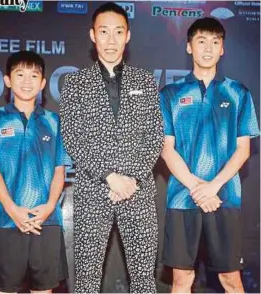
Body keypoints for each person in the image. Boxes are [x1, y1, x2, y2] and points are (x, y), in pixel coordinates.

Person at [60, 2, 163, 293]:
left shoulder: (145, 80)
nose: (111, 40)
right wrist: (109, 176)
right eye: (104, 32)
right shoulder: (75, 83)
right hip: (94, 191)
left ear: (127, 36)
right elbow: (72, 137)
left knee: (144, 280)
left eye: (118, 32)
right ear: (93, 35)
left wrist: (131, 179)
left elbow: (155, 136)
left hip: (138, 191)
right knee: (88, 281)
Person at [160, 17, 259, 293]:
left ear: (222, 49)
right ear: (189, 46)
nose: (208, 48)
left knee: (231, 280)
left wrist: (213, 187)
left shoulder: (238, 93)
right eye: (201, 41)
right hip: (182, 198)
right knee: (181, 280)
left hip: (224, 198)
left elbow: (243, 150)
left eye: (215, 42)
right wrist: (196, 188)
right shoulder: (170, 93)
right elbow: (167, 149)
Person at [0, 50, 70, 293]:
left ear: (43, 83)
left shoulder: (54, 121)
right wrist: (13, 209)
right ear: (7, 80)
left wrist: (49, 206)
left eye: (34, 75)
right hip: (6, 220)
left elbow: (60, 169)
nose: (27, 81)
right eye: (20, 74)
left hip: (46, 221)